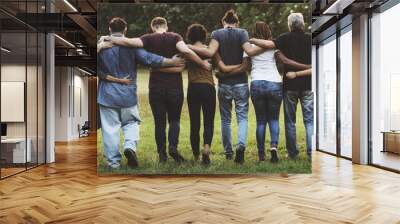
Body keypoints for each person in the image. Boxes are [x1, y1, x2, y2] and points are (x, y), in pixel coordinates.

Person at [99, 17, 211, 164]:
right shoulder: (175, 37)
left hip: (148, 88)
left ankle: (157, 156)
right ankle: (166, 147)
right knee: (171, 121)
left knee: (156, 123)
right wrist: (197, 63)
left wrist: (106, 40)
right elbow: (156, 57)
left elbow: (139, 52)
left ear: (152, 27)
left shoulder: (146, 39)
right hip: (170, 88)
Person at [154, 24, 241, 166]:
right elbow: (221, 67)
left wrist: (159, 69)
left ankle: (195, 155)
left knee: (195, 123)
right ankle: (206, 149)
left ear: (190, 36)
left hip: (193, 88)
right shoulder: (210, 50)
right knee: (208, 121)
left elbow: (180, 67)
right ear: (204, 36)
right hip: (208, 88)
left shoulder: (187, 51)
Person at [188, 9, 264, 164]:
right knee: (242, 117)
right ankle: (241, 146)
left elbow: (210, 53)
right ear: (236, 22)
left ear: (223, 22)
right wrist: (268, 45)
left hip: (224, 84)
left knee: (226, 119)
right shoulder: (242, 33)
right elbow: (249, 53)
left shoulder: (217, 34)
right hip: (241, 82)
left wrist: (185, 46)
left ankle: (228, 152)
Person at [243, 22, 310, 163]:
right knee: (273, 119)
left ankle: (261, 155)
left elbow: (246, 66)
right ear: (268, 30)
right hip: (274, 83)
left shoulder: (249, 47)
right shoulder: (274, 46)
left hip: (257, 82)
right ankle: (274, 148)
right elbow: (283, 60)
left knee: (261, 121)